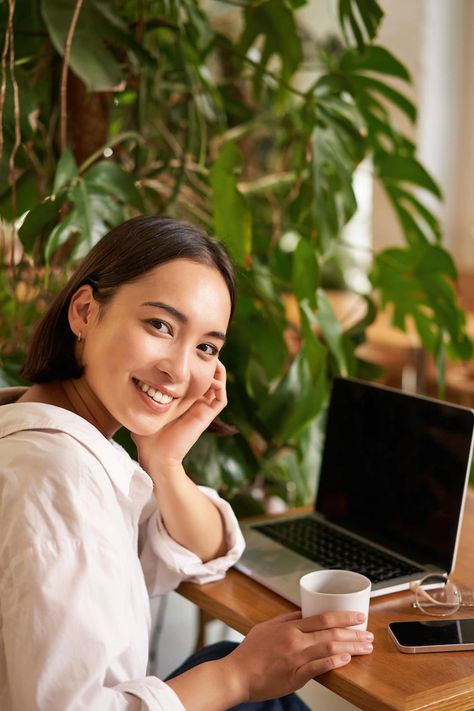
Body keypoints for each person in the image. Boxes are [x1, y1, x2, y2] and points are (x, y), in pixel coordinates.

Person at [0, 216, 374, 710]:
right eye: (160, 325)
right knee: (240, 675)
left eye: (204, 347)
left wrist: (165, 461)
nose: (178, 370)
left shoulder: (55, 432)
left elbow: (203, 550)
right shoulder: (56, 481)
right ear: (86, 312)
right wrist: (237, 678)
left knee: (224, 655)